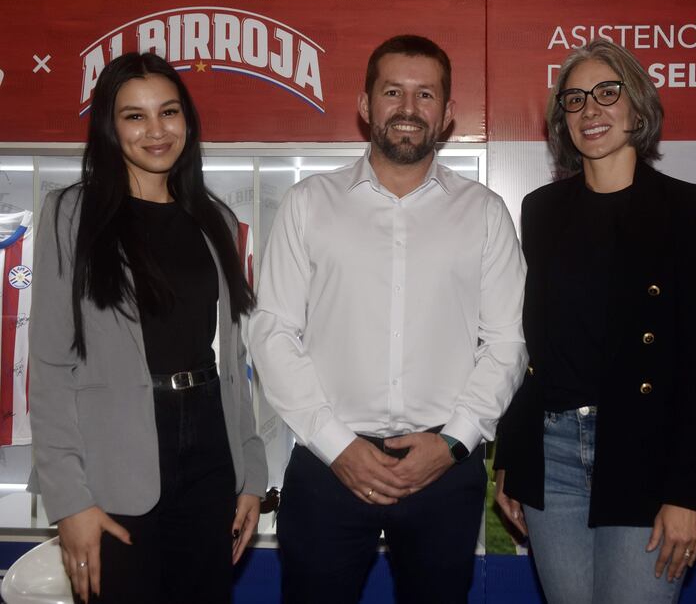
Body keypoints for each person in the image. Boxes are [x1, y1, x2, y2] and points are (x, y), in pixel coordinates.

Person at [249, 34, 527, 603]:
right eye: (393, 91)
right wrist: (338, 445)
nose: (407, 108)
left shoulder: (484, 213)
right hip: (327, 468)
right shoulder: (308, 204)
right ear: (365, 104)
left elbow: (507, 343)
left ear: (448, 114)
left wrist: (453, 443)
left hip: (444, 473)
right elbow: (272, 331)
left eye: (425, 94)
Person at [493, 39, 696, 603]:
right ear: (561, 122)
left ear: (638, 107)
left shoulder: (695, 211)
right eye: (574, 100)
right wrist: (514, 456)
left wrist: (690, 493)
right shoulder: (540, 211)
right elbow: (532, 347)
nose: (590, 110)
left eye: (606, 92)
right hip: (552, 455)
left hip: (646, 455)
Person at [27, 52, 267, 604]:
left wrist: (250, 474)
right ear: (110, 129)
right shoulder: (70, 215)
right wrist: (70, 502)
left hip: (209, 450)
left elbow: (230, 365)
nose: (156, 131)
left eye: (169, 112)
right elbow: (50, 367)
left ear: (188, 120)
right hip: (115, 464)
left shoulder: (217, 221)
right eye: (134, 116)